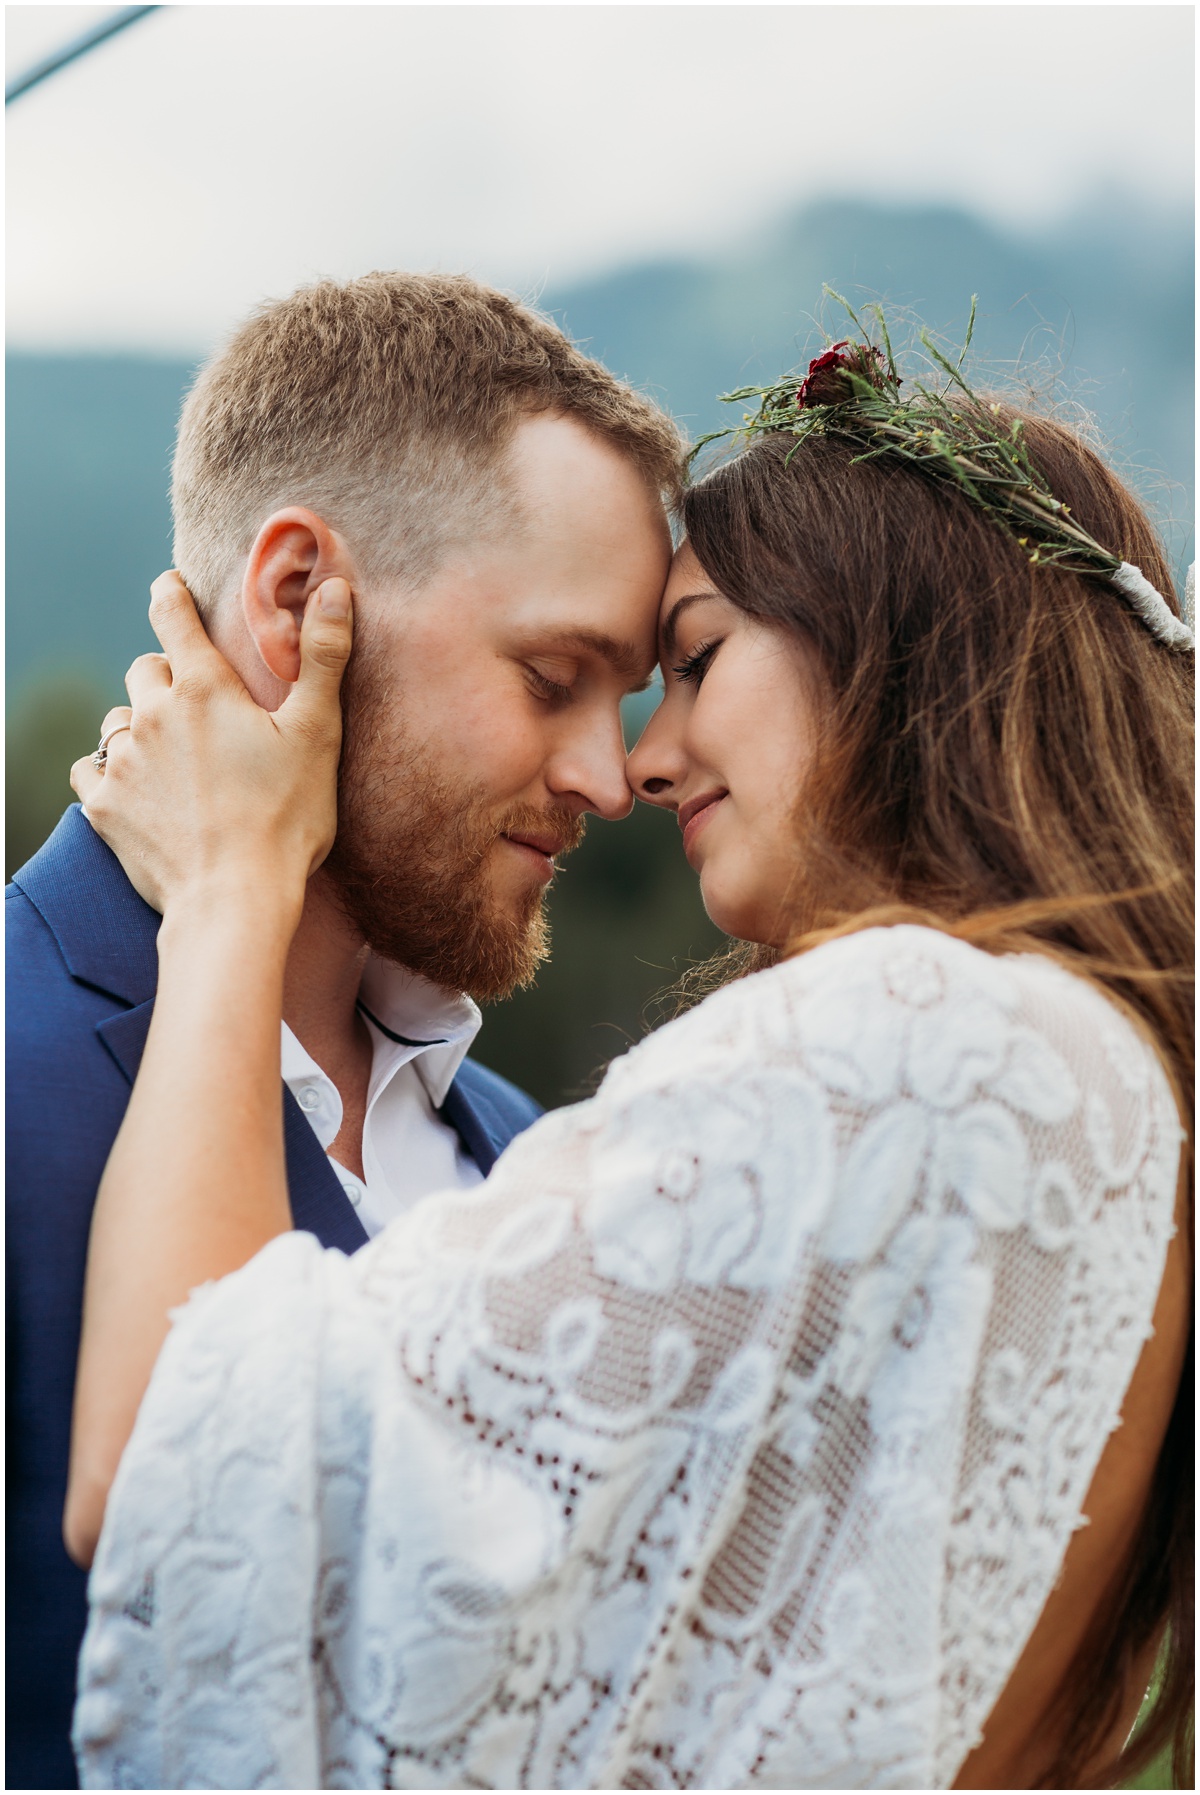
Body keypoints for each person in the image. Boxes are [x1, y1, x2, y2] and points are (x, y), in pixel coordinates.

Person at [67, 331, 1192, 1790]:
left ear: (902, 639)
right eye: (563, 678)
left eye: (697, 660)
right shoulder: (1105, 1091)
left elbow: (179, 1457)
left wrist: (228, 885)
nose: (639, 767)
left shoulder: (926, 1038)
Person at [5, 271, 682, 1789]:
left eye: (626, 700)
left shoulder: (521, 1159)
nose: (608, 774)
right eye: (553, 678)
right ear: (299, 596)